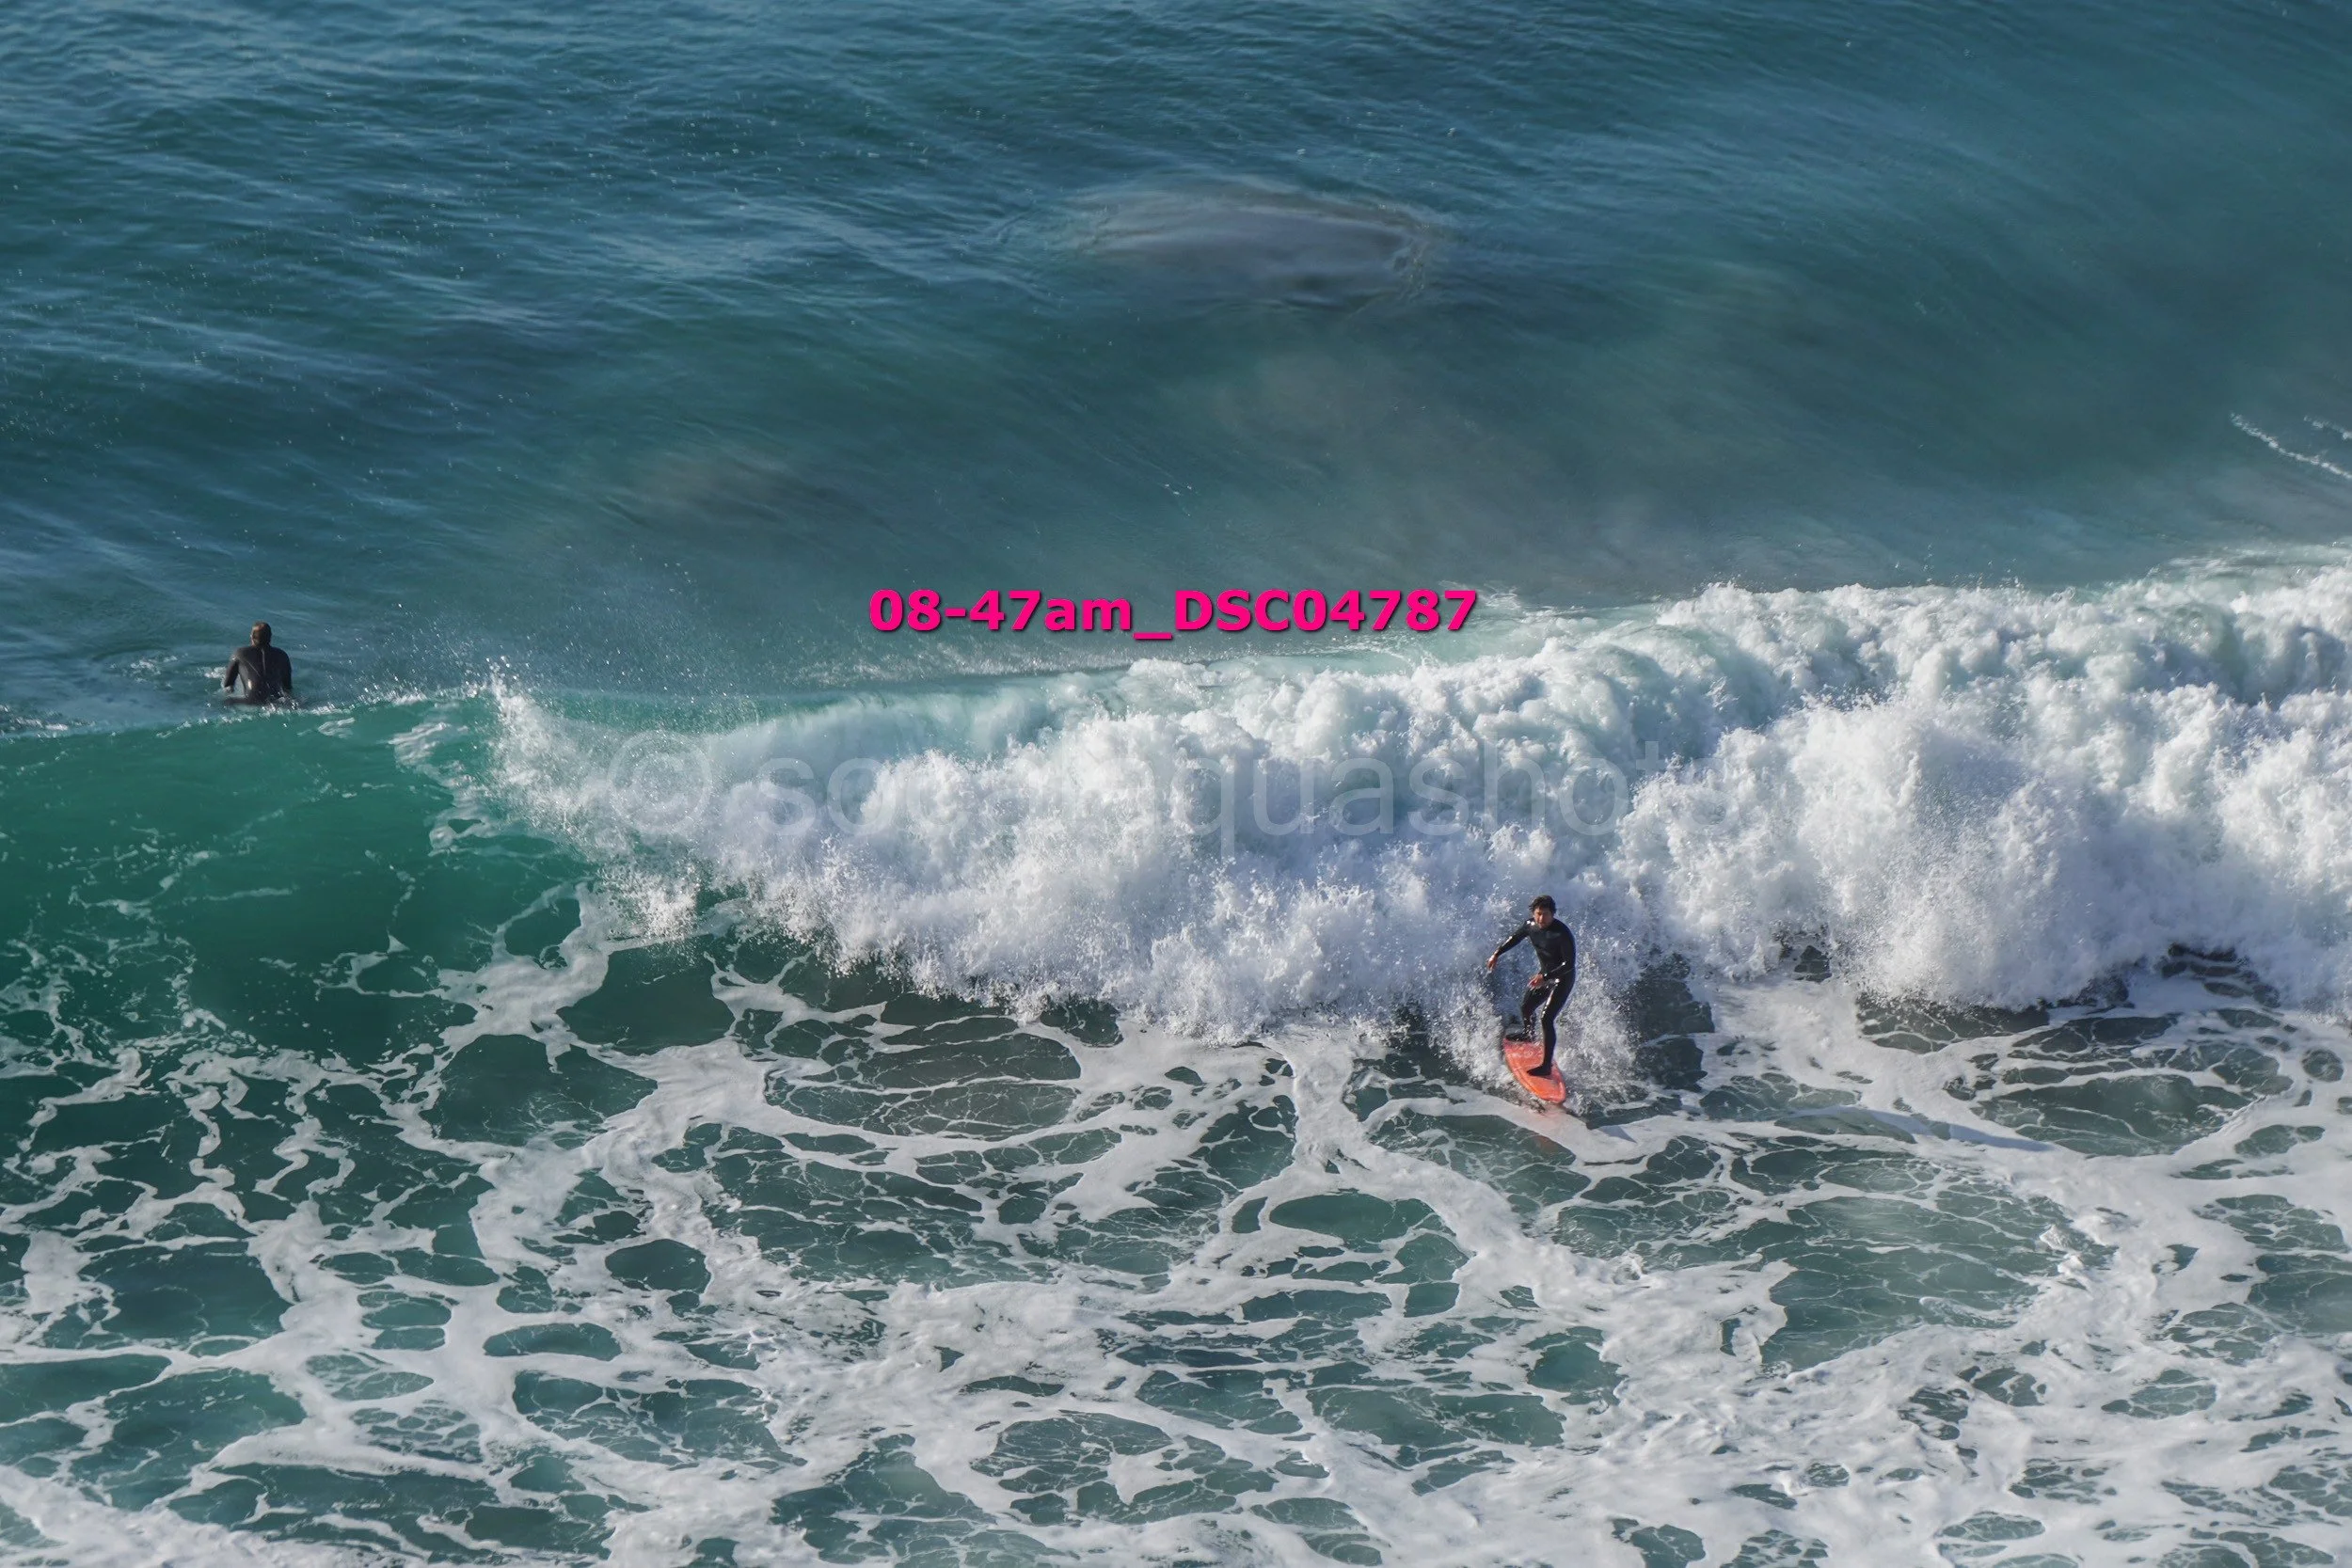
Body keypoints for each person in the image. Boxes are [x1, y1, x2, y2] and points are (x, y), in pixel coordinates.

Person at [1486, 895, 1576, 1077]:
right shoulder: (1531, 926)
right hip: (1545, 977)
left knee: (1546, 1018)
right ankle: (1529, 1034)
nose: (1541, 919)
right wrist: (1497, 953)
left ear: (1553, 914)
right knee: (1526, 1007)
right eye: (1538, 914)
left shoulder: (1562, 933)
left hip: (1562, 979)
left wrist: (1545, 977)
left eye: (1545, 914)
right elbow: (1514, 938)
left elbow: (1569, 964)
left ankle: (1546, 1066)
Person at [222, 621, 294, 704]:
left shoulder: (239, 654)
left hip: (250, 701)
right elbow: (287, 687)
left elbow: (228, 685)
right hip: (275, 702)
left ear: (251, 637)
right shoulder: (282, 655)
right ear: (270, 637)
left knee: (227, 701)